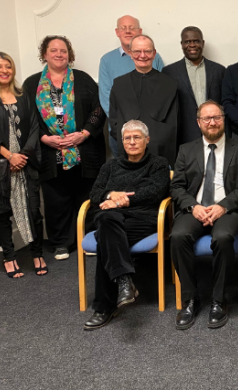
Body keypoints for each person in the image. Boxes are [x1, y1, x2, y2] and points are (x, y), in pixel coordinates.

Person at [170, 101, 238, 330]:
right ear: (198, 122)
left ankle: (219, 300)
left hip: (227, 209)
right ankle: (190, 299)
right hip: (195, 208)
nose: (212, 122)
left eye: (216, 117)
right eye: (207, 118)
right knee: (178, 236)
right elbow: (177, 186)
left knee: (222, 238)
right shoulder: (185, 150)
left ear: (223, 120)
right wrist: (193, 206)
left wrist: (223, 206)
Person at [23, 36, 106, 261]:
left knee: (86, 196)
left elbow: (99, 109)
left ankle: (88, 239)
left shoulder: (84, 80)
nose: (59, 54)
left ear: (69, 54)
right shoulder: (31, 85)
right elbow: (25, 118)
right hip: (50, 153)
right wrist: (43, 137)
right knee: (56, 199)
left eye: (63, 50)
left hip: (84, 151)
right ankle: (61, 243)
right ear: (45, 54)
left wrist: (85, 133)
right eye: (54, 50)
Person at [83, 120, 170, 330]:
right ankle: (124, 281)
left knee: (106, 235)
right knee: (107, 222)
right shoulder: (110, 166)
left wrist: (125, 200)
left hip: (142, 220)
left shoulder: (158, 164)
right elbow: (94, 194)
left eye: (137, 137)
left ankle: (104, 307)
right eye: (127, 138)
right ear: (122, 142)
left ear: (147, 140)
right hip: (112, 219)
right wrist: (111, 195)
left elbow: (157, 191)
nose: (132, 142)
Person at [0, 52, 47, 278]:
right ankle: (10, 257)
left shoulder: (23, 96)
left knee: (34, 211)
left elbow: (34, 128)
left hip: (25, 164)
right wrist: (8, 155)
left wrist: (22, 156)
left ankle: (37, 253)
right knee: (1, 213)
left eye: (8, 66)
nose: (4, 71)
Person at [99, 15, 165, 157]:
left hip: (151, 133)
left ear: (140, 31)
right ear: (117, 32)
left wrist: (147, 129)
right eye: (123, 28)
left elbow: (161, 94)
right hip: (121, 134)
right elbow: (106, 98)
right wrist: (128, 130)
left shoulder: (155, 57)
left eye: (132, 28)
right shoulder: (107, 60)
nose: (128, 31)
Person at [109, 34, 180, 165]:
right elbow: (114, 120)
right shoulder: (119, 84)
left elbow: (175, 121)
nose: (142, 55)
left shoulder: (170, 84)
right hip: (129, 153)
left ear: (154, 54)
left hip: (162, 153)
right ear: (130, 53)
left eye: (147, 51)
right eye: (137, 51)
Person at [163, 26, 226, 148]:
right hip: (184, 136)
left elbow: (224, 103)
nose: (192, 45)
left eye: (196, 41)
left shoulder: (219, 70)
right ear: (182, 44)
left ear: (202, 43)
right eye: (187, 42)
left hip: (215, 132)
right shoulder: (169, 72)